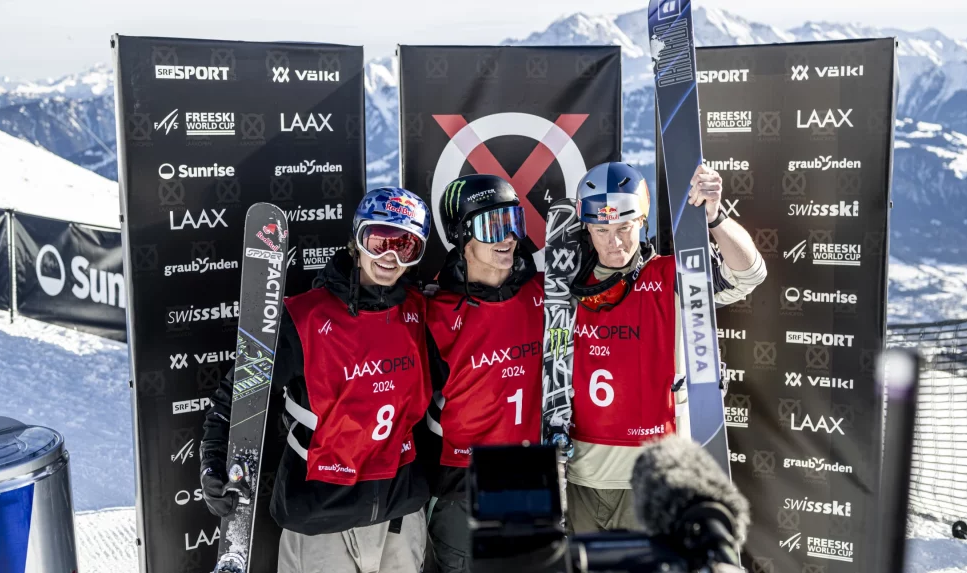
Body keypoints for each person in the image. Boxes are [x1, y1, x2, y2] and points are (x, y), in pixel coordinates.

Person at [199, 188, 435, 573]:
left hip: (398, 515)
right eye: (379, 242)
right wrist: (213, 464)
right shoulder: (305, 318)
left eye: (406, 247)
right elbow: (235, 399)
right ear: (356, 241)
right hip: (322, 519)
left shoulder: (418, 312)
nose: (390, 258)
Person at [564, 162, 767, 533]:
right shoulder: (566, 289)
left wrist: (715, 217)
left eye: (624, 227)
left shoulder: (669, 277)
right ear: (586, 229)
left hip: (653, 478)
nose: (615, 243)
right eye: (601, 230)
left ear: (642, 221)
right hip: (582, 477)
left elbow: (749, 274)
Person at [420, 174, 545, 573]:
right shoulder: (433, 311)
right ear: (461, 237)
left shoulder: (545, 294)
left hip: (531, 470)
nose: (507, 238)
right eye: (492, 227)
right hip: (464, 479)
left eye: (513, 222)